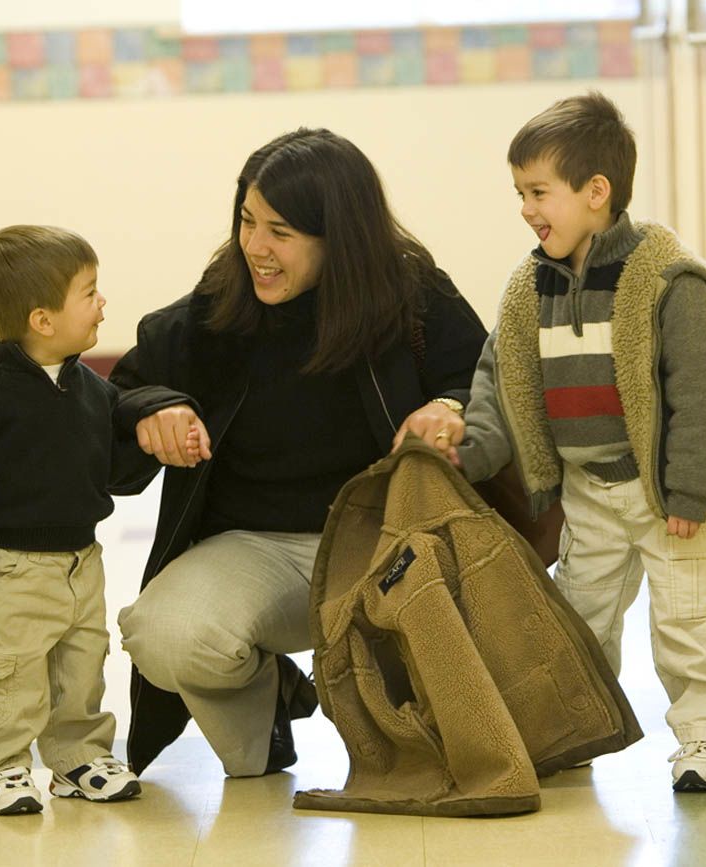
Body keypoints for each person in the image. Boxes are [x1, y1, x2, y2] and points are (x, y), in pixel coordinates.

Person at [109, 128, 488, 778]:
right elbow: (122, 392)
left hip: (385, 541)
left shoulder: (412, 297)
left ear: (338, 236)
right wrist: (151, 409)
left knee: (428, 747)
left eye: (280, 232)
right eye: (247, 222)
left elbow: (487, 382)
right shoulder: (212, 314)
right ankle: (270, 698)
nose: (255, 247)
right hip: (254, 549)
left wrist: (449, 408)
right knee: (165, 634)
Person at [456, 92, 706, 792]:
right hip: (587, 494)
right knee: (576, 619)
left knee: (688, 623)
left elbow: (703, 398)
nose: (527, 209)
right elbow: (501, 384)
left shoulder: (667, 282)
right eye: (519, 193)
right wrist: (466, 452)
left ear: (596, 192)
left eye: (538, 192)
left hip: (663, 494)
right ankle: (572, 725)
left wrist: (689, 489)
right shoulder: (531, 290)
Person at [0, 225, 155, 814]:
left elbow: (113, 464)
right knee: (12, 674)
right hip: (10, 567)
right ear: (42, 320)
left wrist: (156, 441)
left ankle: (77, 759)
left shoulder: (88, 388)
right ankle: (2, 769)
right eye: (89, 291)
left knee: (81, 669)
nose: (102, 302)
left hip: (82, 562)